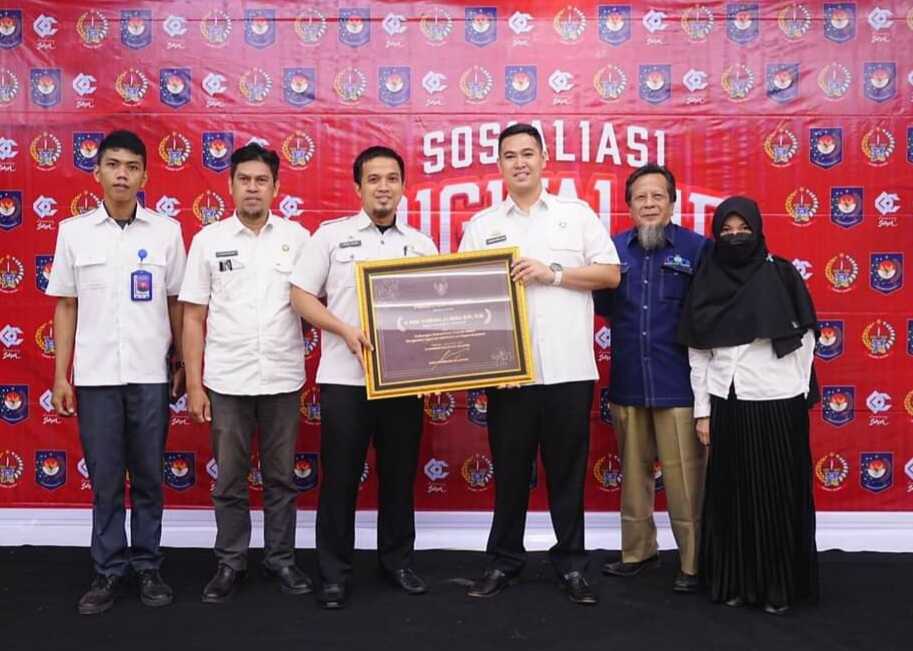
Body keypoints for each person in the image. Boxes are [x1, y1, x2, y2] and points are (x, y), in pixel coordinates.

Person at [459, 124, 620, 605]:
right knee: (510, 473)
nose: (520, 162)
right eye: (510, 155)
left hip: (568, 371)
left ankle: (571, 564)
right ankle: (503, 561)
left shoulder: (576, 214)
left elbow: (610, 273)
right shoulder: (483, 225)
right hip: (509, 376)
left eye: (527, 153)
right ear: (499, 165)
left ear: (545, 158)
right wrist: (491, 365)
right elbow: (466, 296)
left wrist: (553, 273)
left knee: (567, 473)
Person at [290, 146, 438, 609]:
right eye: (373, 179)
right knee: (340, 479)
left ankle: (398, 562)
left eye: (392, 178)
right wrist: (343, 330)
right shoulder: (330, 237)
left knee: (399, 476)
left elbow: (437, 314)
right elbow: (300, 296)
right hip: (345, 379)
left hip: (404, 381)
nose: (383, 187)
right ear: (358, 187)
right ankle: (334, 573)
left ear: (404, 187)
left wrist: (436, 364)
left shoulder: (422, 244)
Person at [46, 130, 187, 615]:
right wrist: (61, 375)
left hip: (150, 374)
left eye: (131, 166)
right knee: (106, 479)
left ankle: (147, 565)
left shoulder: (166, 232)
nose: (122, 174)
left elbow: (176, 302)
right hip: (96, 377)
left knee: (148, 476)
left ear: (145, 175)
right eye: (113, 164)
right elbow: (66, 305)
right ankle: (108, 570)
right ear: (97, 172)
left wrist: (182, 362)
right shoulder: (73, 232)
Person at [180, 143, 312, 603]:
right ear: (230, 185)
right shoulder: (208, 240)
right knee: (230, 481)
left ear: (276, 187)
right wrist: (194, 384)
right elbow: (193, 316)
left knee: (281, 479)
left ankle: (281, 559)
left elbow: (315, 302)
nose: (252, 188)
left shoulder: (298, 238)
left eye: (261, 180)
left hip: (282, 377)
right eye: (244, 180)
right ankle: (230, 562)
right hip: (227, 380)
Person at [678, 196, 819, 615]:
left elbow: (806, 342)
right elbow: (699, 353)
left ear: (758, 231)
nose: (735, 236)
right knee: (733, 499)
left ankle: (778, 587)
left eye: (743, 229)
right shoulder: (706, 280)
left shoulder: (782, 274)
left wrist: (795, 394)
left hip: (778, 402)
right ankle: (735, 583)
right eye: (726, 230)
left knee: (775, 497)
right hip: (729, 401)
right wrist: (703, 411)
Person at [594, 164, 709, 593]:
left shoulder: (698, 250)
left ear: (672, 203)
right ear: (628, 206)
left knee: (685, 482)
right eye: (640, 197)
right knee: (633, 477)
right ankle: (637, 552)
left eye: (657, 196)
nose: (648, 204)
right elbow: (604, 307)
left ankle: (693, 562)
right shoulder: (611, 251)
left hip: (677, 384)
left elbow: (708, 316)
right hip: (628, 381)